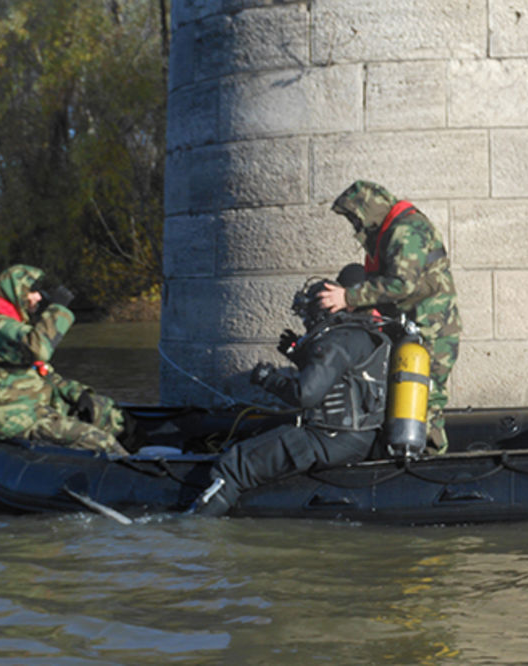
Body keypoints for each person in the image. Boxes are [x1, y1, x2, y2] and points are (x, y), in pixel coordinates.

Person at [194, 273, 392, 517]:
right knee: (265, 430)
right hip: (362, 439)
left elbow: (305, 395)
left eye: (309, 312)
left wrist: (269, 379)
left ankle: (193, 529)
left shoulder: (335, 340)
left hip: (329, 439)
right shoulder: (367, 336)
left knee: (235, 464)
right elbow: (342, 379)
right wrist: (299, 355)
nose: (306, 320)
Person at [319, 180, 462, 454]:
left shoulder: (406, 231)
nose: (355, 226)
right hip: (413, 327)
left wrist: (348, 298)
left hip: (432, 329)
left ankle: (431, 460)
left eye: (354, 217)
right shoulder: (392, 232)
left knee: (426, 399)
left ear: (368, 210)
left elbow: (402, 284)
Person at [0, 264, 135, 457]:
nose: (38, 297)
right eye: (32, 292)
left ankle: (151, 454)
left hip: (36, 404)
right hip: (15, 417)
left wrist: (76, 393)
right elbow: (39, 349)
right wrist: (57, 309)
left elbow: (43, 371)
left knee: (110, 413)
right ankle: (134, 471)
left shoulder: (16, 325)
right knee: (98, 440)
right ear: (17, 292)